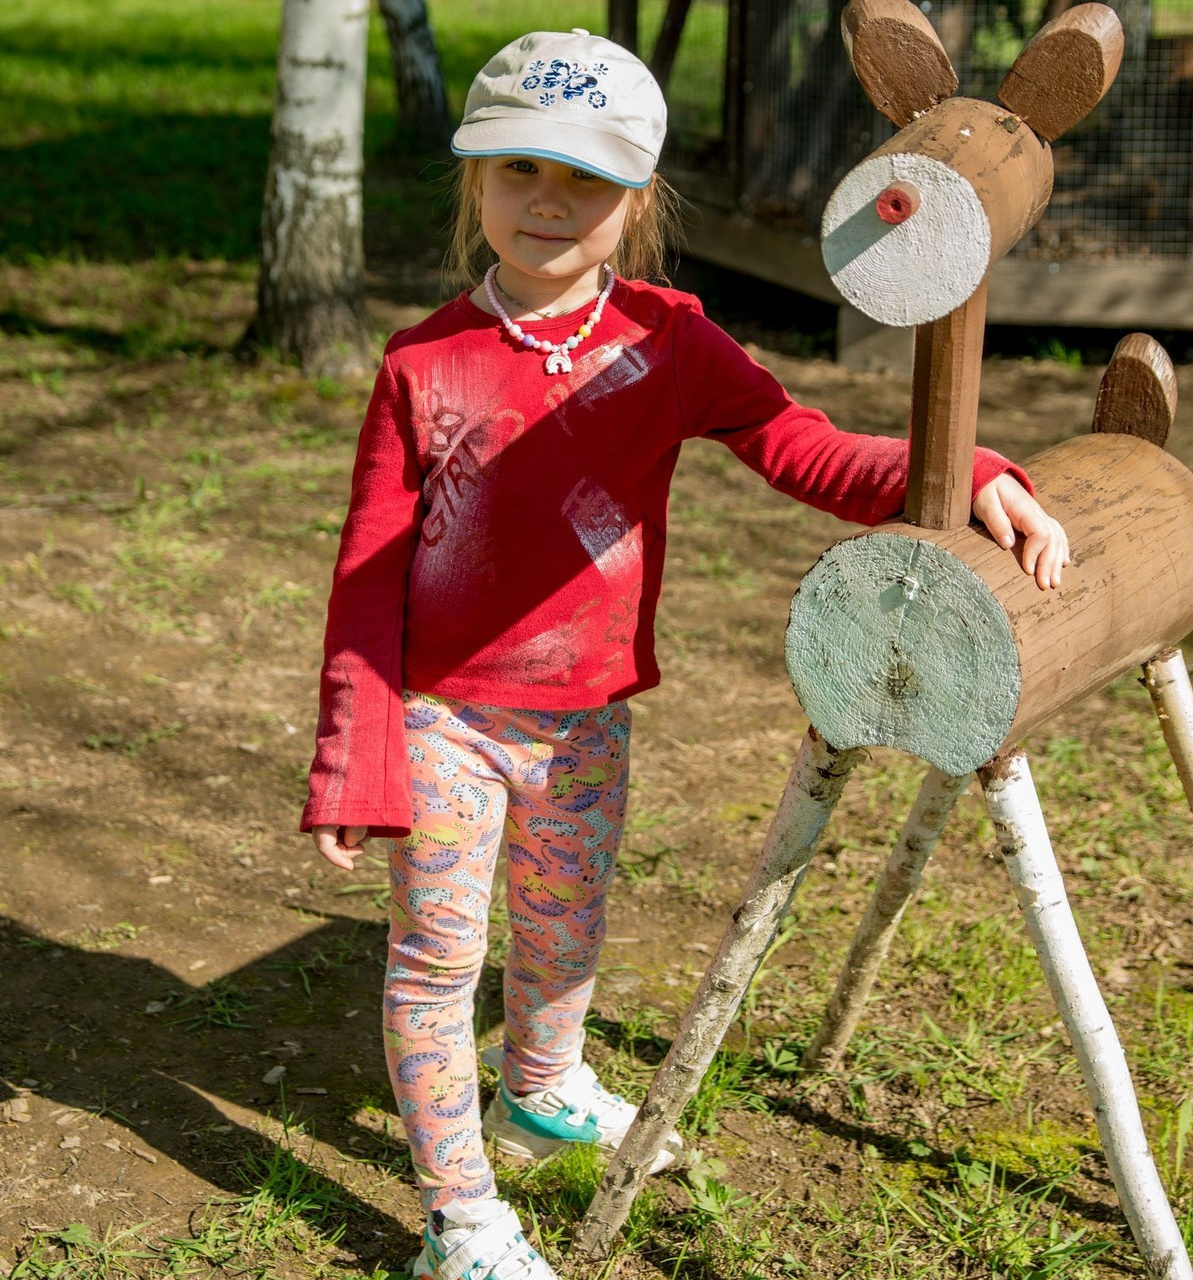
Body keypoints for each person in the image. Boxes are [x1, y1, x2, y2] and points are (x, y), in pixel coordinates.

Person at [301, 26, 1070, 1280]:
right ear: (475, 185)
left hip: (588, 716)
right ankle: (459, 1217)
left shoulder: (668, 342)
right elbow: (367, 572)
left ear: (637, 198)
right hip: (443, 715)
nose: (547, 203)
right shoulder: (421, 362)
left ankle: (542, 1086)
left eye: (585, 181)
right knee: (437, 959)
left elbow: (803, 446)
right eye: (517, 174)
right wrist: (354, 752)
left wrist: (964, 473)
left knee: (563, 927)